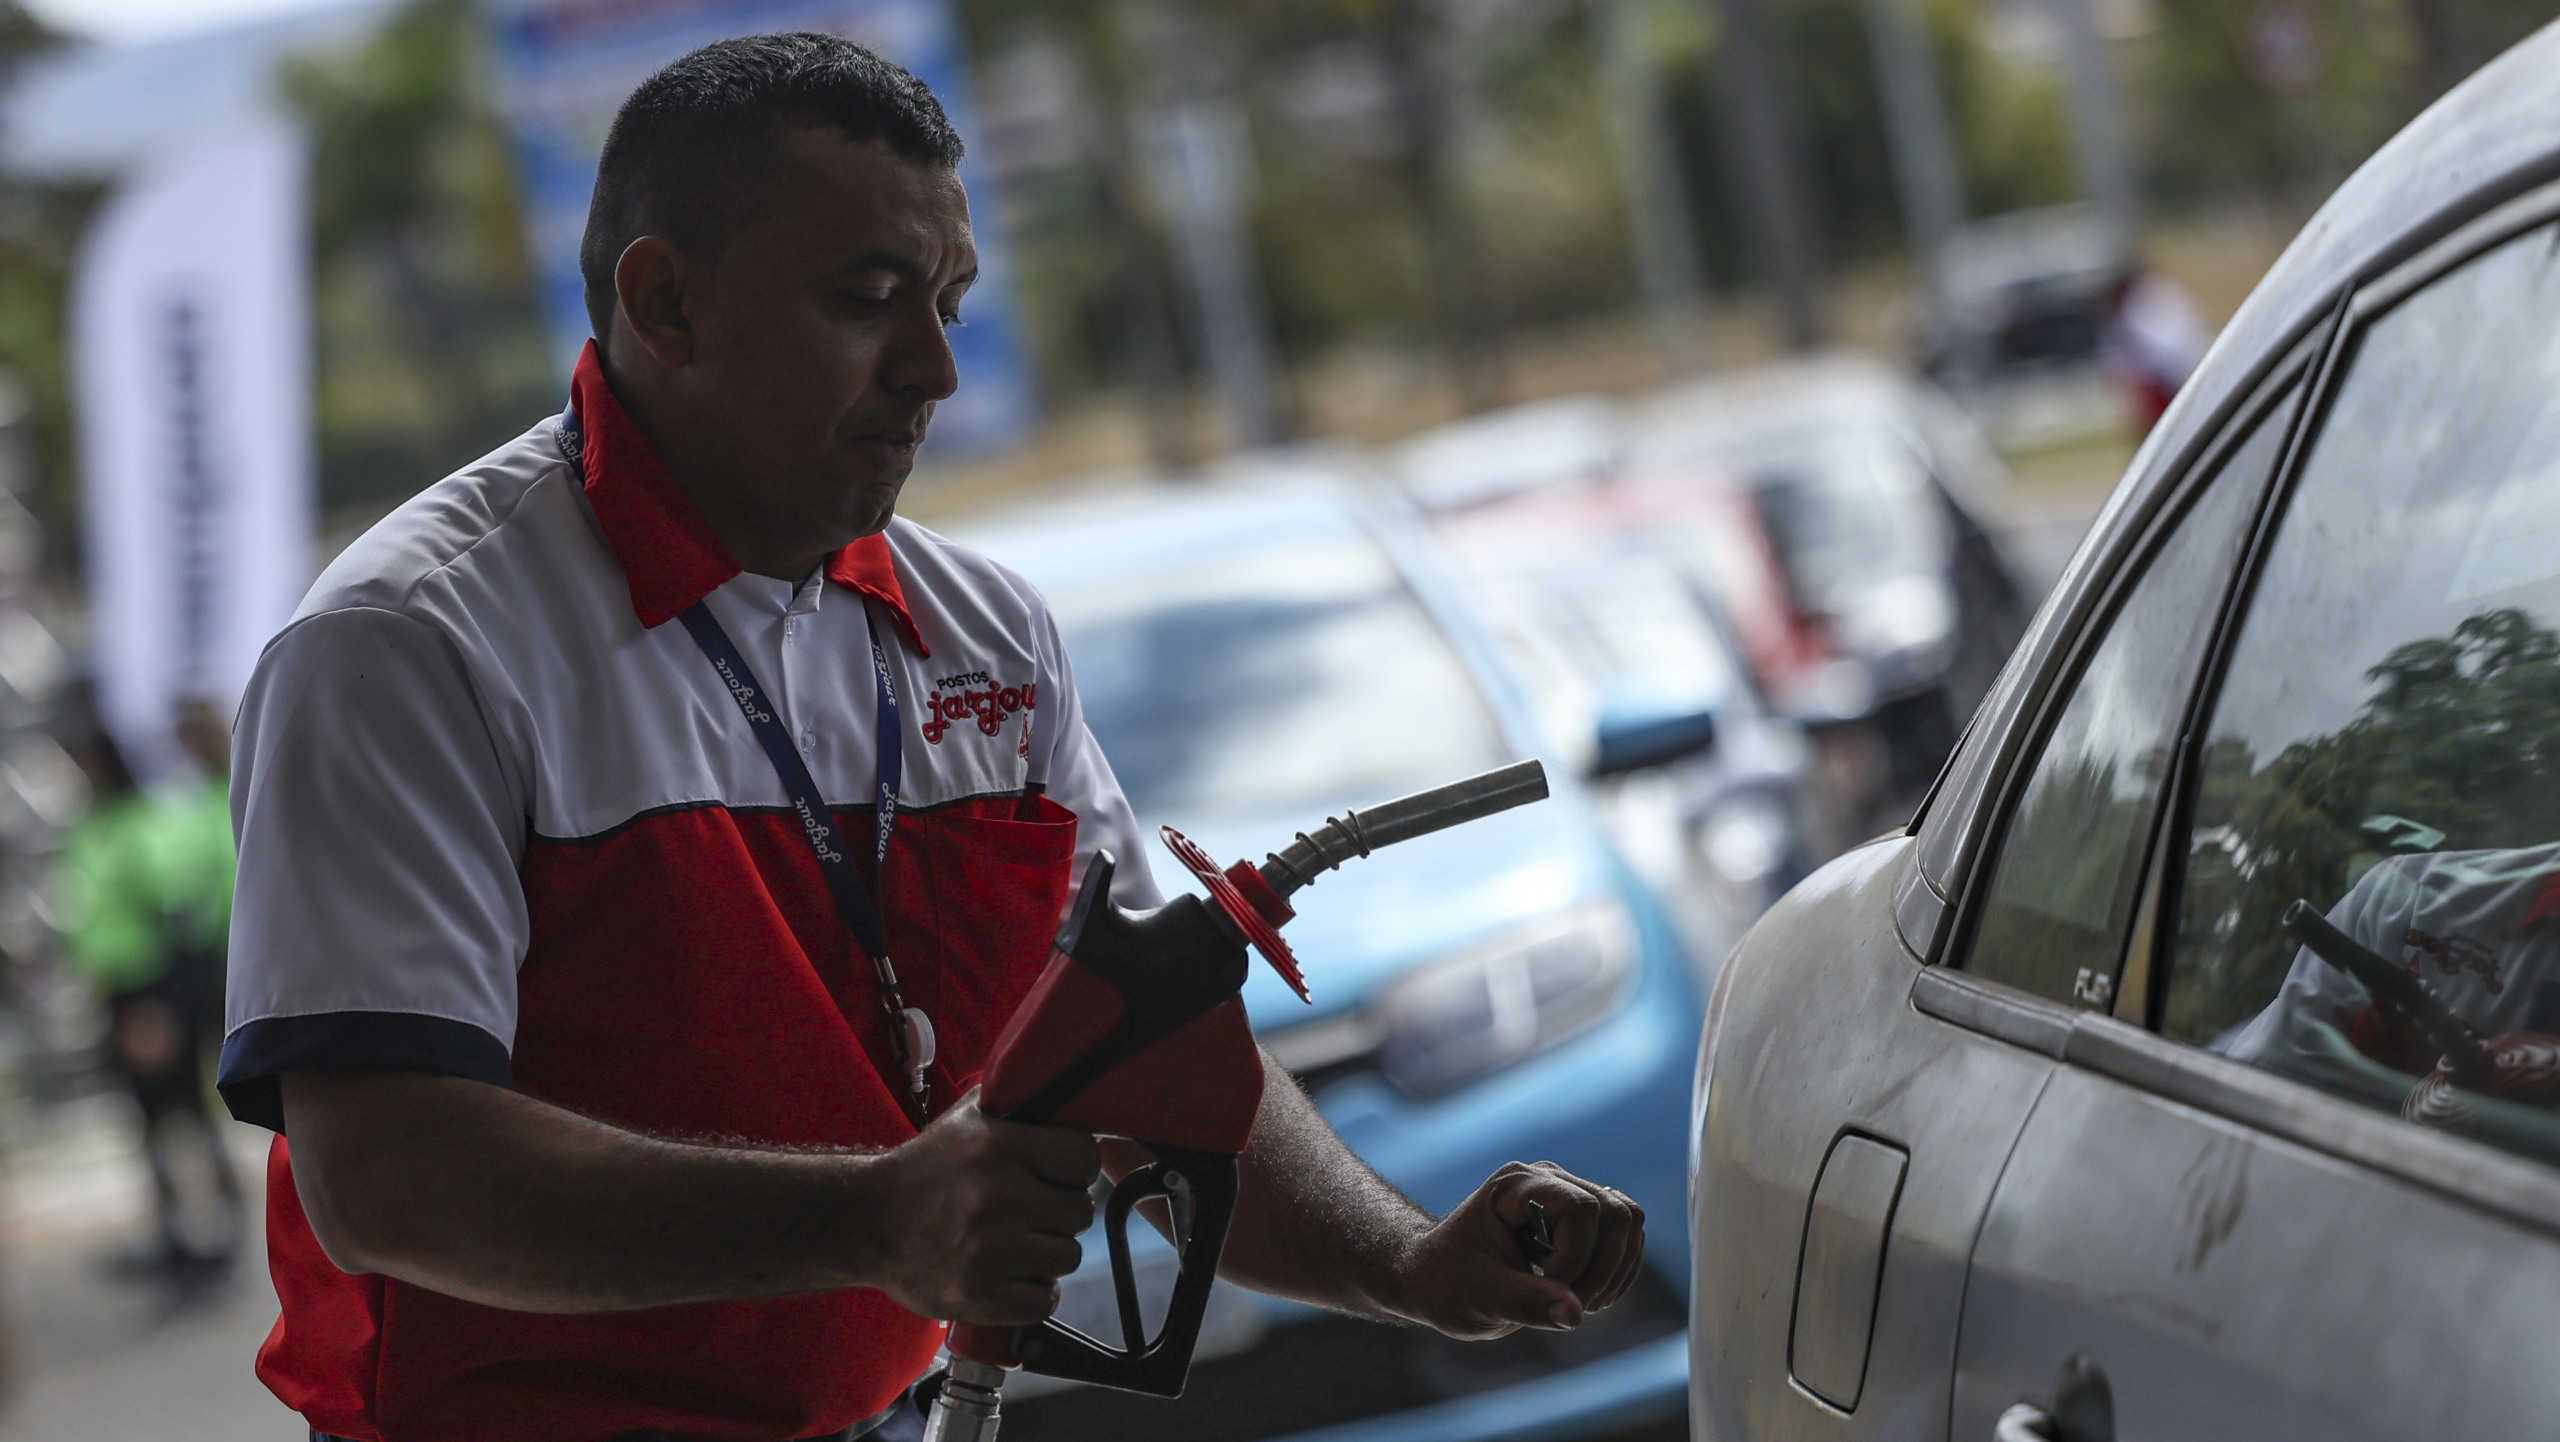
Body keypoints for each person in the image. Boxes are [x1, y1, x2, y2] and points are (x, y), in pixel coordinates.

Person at [216, 34, 1645, 1442]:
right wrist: (876, 1219)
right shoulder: (409, 646)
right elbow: (388, 1172)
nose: (936, 369)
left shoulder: (989, 637)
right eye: (870, 297)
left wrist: (1404, 1262)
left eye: (952, 300)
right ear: (666, 303)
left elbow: (1150, 1051)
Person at [59, 703, 243, 1302]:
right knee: (150, 1125)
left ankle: (222, 1240)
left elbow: (167, 917)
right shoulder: (98, 825)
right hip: (121, 994)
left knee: (185, 1114)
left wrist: (152, 1009)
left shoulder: (145, 826)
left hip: (151, 996)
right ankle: (178, 1243)